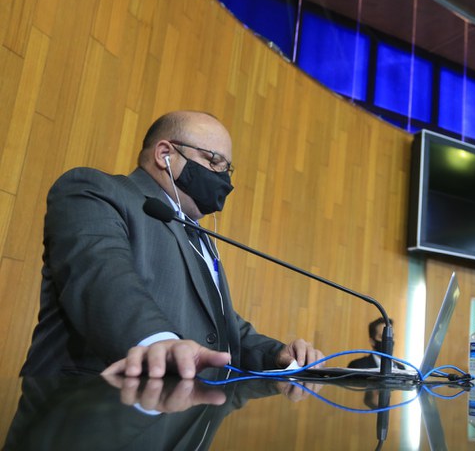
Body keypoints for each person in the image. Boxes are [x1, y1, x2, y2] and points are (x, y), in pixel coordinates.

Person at [20, 111, 323, 379]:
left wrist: (277, 355)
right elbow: (103, 277)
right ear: (165, 153)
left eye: (226, 169)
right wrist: (157, 341)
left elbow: (217, 324)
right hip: (90, 407)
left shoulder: (198, 236)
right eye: (212, 161)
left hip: (183, 412)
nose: (223, 180)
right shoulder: (95, 191)